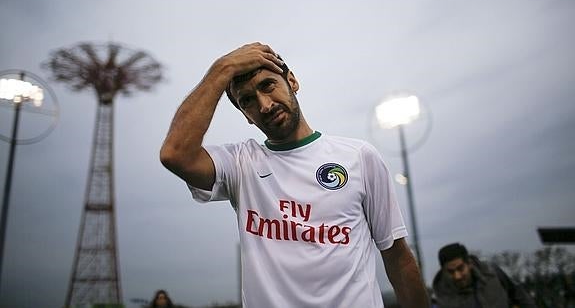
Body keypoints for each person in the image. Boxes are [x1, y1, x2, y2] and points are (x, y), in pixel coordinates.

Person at [160, 42, 430, 308]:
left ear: (292, 81)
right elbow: (175, 153)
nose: (264, 105)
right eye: (248, 101)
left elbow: (397, 258)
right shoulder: (239, 163)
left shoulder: (359, 157)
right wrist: (222, 68)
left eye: (268, 86)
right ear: (246, 116)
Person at [432, 243, 536, 308]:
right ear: (443, 271)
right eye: (451, 272)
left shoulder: (493, 273)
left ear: (469, 263)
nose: (457, 276)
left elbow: (519, 295)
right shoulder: (441, 299)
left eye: (460, 269)